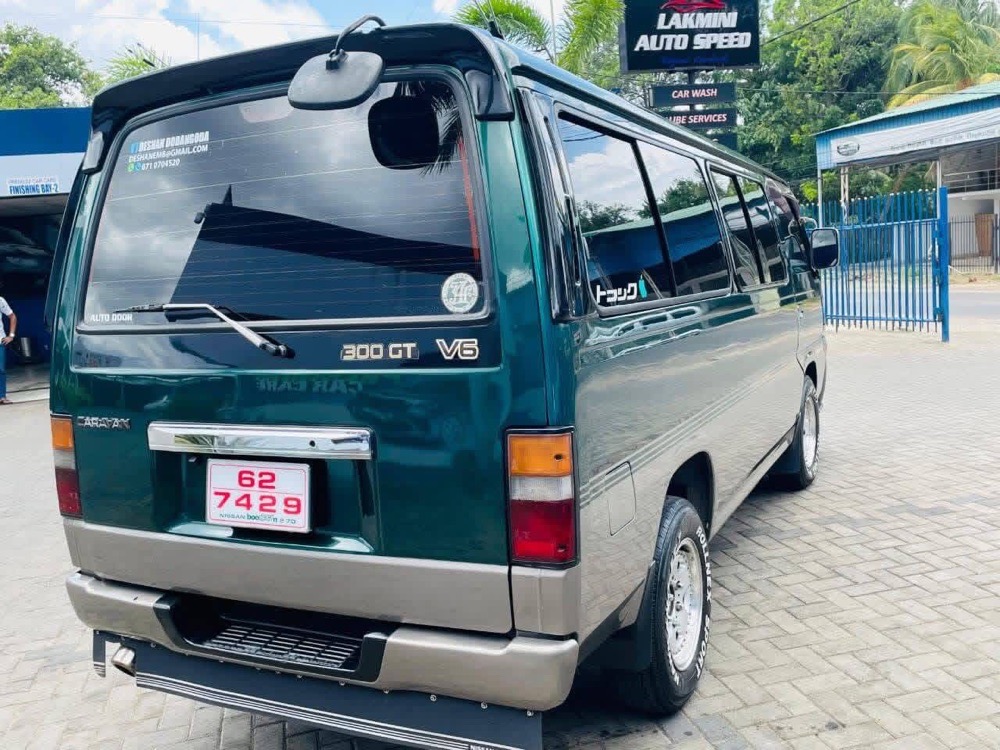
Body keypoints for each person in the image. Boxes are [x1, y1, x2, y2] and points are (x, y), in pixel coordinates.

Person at [0, 295, 16, 405]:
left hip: (0, 341)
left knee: (1, 370)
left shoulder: (0, 300)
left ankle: (2, 396)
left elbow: (12, 316)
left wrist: (11, 335)